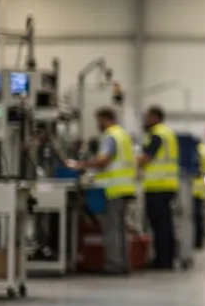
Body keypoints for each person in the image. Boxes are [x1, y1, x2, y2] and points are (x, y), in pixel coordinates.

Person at [67, 107, 135, 275]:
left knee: (112, 229)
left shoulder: (111, 135)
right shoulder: (122, 134)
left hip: (115, 189)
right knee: (120, 228)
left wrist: (80, 165)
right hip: (126, 186)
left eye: (98, 121)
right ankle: (123, 263)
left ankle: (113, 265)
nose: (97, 125)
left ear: (105, 119)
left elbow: (104, 160)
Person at [137, 105, 180, 270]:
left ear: (155, 117)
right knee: (166, 225)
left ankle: (162, 261)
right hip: (168, 185)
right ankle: (167, 259)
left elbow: (146, 158)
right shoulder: (168, 133)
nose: (145, 121)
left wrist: (133, 162)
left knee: (159, 225)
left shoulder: (157, 134)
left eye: (147, 117)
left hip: (157, 186)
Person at [193, 141, 205, 250]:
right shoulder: (204, 150)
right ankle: (199, 241)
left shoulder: (197, 151)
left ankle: (196, 241)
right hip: (201, 187)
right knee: (199, 216)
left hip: (194, 187)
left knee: (194, 217)